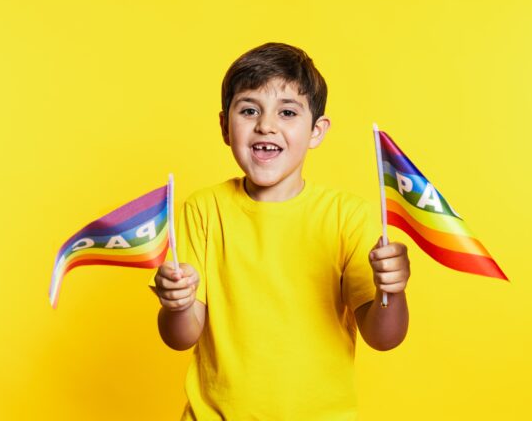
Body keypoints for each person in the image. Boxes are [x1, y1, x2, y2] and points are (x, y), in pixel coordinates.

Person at [149, 42, 410, 420]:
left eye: (287, 112)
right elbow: (180, 336)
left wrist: (393, 289)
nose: (266, 125)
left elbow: (383, 337)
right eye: (249, 110)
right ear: (225, 126)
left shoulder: (347, 216)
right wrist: (177, 304)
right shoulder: (203, 210)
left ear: (316, 131)